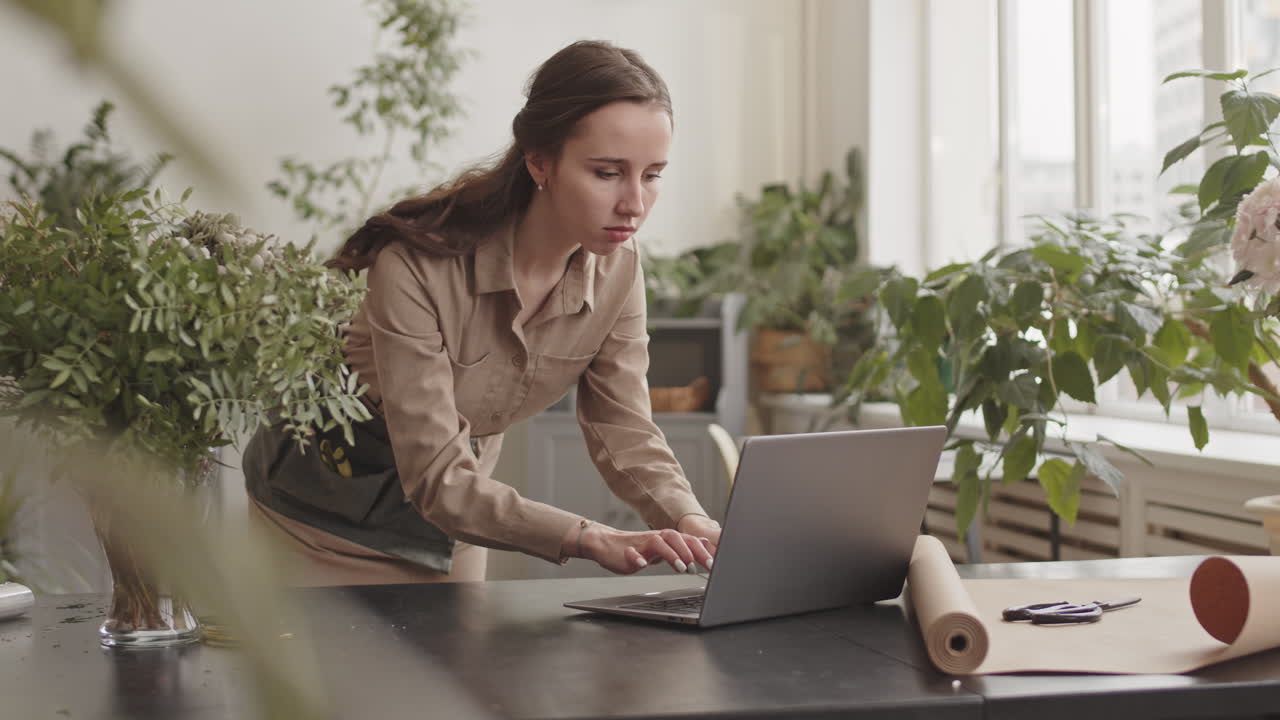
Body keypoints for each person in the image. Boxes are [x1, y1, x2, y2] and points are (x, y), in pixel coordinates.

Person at [243, 39, 721, 586]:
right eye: (607, 172)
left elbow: (623, 426)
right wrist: (589, 537)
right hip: (317, 528)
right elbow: (436, 477)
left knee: (460, 671)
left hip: (455, 529)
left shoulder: (620, 269)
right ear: (539, 159)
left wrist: (691, 519)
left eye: (652, 174)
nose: (634, 204)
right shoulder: (415, 267)